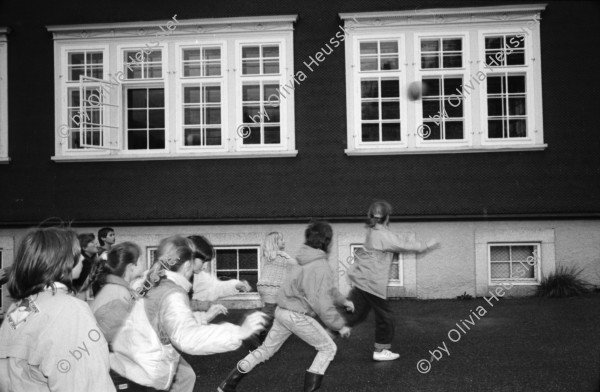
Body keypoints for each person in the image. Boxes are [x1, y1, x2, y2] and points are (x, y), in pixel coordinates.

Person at [114, 235, 266, 392]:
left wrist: (234, 287)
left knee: (186, 376)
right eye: (202, 261)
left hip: (137, 346)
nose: (205, 266)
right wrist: (239, 332)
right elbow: (186, 335)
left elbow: (169, 316)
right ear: (188, 262)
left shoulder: (154, 278)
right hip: (143, 358)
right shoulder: (171, 291)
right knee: (172, 378)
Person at [218, 221, 354, 392]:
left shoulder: (299, 260)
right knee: (328, 348)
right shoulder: (320, 266)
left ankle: (227, 384)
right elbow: (322, 300)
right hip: (296, 315)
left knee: (266, 350)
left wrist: (343, 301)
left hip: (281, 312)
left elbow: (326, 289)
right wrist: (338, 325)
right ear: (328, 242)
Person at [0, 227, 115, 391]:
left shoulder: (19, 308)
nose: (82, 261)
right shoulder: (71, 311)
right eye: (77, 256)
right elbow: (88, 382)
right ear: (62, 263)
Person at [346, 200, 440, 361]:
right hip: (373, 284)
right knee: (385, 317)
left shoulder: (372, 231)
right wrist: (427, 245)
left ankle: (327, 332)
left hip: (363, 280)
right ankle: (381, 350)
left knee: (356, 315)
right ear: (387, 217)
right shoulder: (383, 236)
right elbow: (404, 245)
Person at [89, 241, 148, 392]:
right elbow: (113, 338)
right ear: (131, 267)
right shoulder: (118, 293)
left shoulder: (118, 289)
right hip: (117, 370)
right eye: (141, 260)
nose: (145, 263)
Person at [188, 235, 251, 308]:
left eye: (207, 262)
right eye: (203, 261)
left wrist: (236, 285)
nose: (205, 267)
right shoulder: (175, 277)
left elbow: (217, 287)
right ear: (191, 257)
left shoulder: (199, 276)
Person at [256, 232, 296, 338]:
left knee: (274, 309)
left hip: (265, 286)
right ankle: (257, 330)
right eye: (281, 240)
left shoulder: (269, 255)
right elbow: (294, 264)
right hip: (272, 287)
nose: (284, 241)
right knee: (270, 309)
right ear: (274, 243)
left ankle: (265, 331)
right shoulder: (281, 255)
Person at [73, 232, 100, 300]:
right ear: (84, 247)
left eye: (95, 241)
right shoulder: (82, 262)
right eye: (92, 242)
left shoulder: (91, 261)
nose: (96, 244)